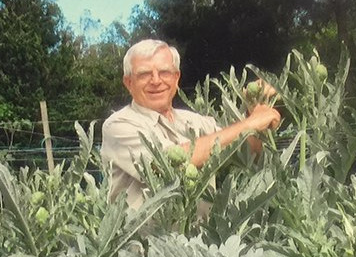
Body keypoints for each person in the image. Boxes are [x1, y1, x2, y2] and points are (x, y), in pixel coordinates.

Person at [101, 39, 281, 209]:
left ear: (176, 78)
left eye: (164, 72)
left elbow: (248, 154)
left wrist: (255, 109)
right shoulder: (118, 126)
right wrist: (250, 123)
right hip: (144, 242)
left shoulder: (195, 122)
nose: (156, 81)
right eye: (144, 74)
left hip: (200, 241)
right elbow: (168, 163)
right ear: (128, 83)